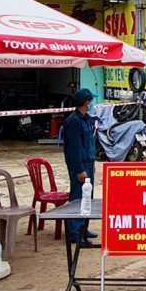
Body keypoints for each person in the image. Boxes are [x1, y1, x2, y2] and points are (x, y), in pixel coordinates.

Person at [62, 88, 97, 244]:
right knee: (78, 197)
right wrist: (79, 169)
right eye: (90, 101)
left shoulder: (86, 119)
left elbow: (89, 143)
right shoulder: (73, 121)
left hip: (88, 162)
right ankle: (75, 232)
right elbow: (74, 148)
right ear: (85, 102)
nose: (91, 103)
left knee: (87, 198)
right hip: (80, 165)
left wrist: (92, 163)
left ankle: (83, 228)